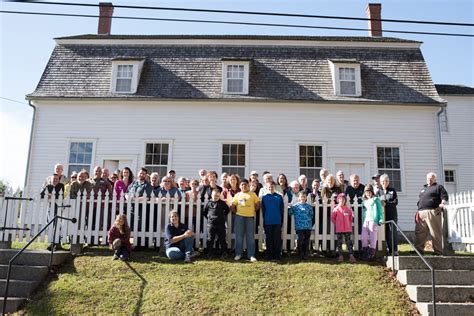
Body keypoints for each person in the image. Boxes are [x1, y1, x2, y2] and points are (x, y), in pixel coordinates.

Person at [415, 172, 448, 255]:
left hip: (433, 211)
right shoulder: (424, 188)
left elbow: (444, 196)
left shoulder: (438, 187)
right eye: (428, 178)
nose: (429, 179)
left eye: (431, 178)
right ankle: (419, 250)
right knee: (419, 232)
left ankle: (438, 251)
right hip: (421, 212)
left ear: (435, 179)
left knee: (435, 232)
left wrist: (442, 204)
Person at [231, 179, 260, 262]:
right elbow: (232, 206)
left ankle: (251, 255)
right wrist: (236, 212)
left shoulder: (253, 194)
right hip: (239, 217)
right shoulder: (237, 195)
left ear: (248, 185)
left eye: (245, 184)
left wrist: (254, 210)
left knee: (250, 237)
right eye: (242, 184)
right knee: (239, 236)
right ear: (240, 186)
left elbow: (258, 204)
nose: (244, 186)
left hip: (250, 217)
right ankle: (238, 254)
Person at [202, 189, 230, 258]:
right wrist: (209, 218)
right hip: (211, 224)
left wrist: (222, 216)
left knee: (222, 239)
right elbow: (204, 212)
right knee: (210, 239)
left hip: (220, 224)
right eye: (214, 195)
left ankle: (224, 253)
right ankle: (209, 253)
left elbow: (227, 210)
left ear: (219, 195)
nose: (216, 197)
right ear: (211, 195)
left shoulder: (222, 203)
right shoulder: (208, 203)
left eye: (217, 196)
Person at [261, 181, 284, 261]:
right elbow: (263, 210)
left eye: (272, 186)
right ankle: (269, 255)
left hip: (277, 221)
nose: (271, 188)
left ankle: (277, 255)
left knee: (277, 239)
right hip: (268, 221)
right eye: (269, 187)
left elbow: (281, 210)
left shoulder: (279, 197)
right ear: (267, 188)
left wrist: (281, 221)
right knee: (269, 238)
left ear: (274, 187)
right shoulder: (264, 198)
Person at [361, 184, 384, 260]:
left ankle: (371, 253)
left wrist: (380, 219)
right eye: (366, 192)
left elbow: (380, 211)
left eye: (369, 192)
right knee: (364, 237)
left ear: (372, 192)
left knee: (372, 237)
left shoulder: (375, 200)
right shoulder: (364, 201)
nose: (368, 194)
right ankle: (365, 251)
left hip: (373, 221)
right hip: (365, 221)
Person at [331, 193, 356, 263]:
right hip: (339, 229)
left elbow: (351, 218)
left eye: (343, 199)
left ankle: (351, 255)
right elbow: (333, 218)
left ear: (345, 200)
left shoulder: (348, 209)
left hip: (347, 229)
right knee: (339, 243)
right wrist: (337, 224)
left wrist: (348, 224)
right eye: (340, 199)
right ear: (338, 200)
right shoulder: (336, 209)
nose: (342, 200)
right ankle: (340, 256)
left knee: (349, 242)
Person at [378, 174, 399, 255]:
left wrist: (386, 203)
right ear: (380, 182)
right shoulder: (378, 191)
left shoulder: (392, 190)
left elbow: (395, 201)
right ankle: (388, 249)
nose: (384, 182)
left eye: (386, 181)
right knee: (386, 232)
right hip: (383, 215)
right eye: (383, 181)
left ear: (388, 182)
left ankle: (395, 250)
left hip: (392, 214)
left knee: (393, 232)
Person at [289, 192, 314, 260]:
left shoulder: (309, 207)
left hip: (307, 227)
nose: (302, 198)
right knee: (300, 240)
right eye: (301, 196)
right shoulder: (295, 206)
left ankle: (306, 253)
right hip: (299, 227)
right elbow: (290, 213)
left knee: (306, 240)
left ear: (306, 198)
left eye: (304, 196)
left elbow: (311, 215)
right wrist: (290, 207)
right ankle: (300, 252)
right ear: (298, 198)